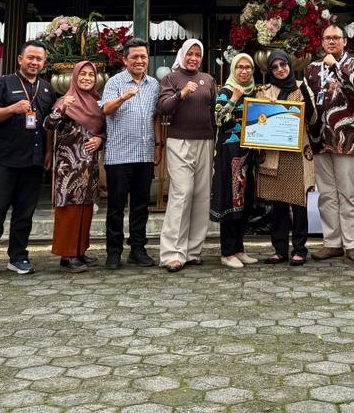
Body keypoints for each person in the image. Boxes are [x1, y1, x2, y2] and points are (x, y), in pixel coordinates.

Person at [0, 40, 56, 278]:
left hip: (33, 160)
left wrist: (49, 151)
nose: (34, 62)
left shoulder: (47, 88)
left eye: (39, 59)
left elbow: (50, 124)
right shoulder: (4, 83)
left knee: (25, 213)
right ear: (20, 60)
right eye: (30, 58)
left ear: (44, 63)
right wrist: (11, 109)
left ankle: (18, 256)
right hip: (4, 160)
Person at [305, 23, 354, 263]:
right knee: (326, 194)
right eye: (327, 38)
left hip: (346, 138)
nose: (331, 42)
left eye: (336, 38)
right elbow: (307, 101)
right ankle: (332, 242)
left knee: (348, 193)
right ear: (321, 42)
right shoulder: (312, 69)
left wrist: (337, 67)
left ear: (344, 41)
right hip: (320, 138)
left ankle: (352, 244)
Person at [100, 37, 161, 269]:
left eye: (143, 57)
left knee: (140, 205)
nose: (139, 60)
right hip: (119, 155)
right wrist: (123, 97)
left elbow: (155, 117)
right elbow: (106, 109)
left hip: (145, 155)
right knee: (116, 207)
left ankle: (138, 249)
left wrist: (158, 146)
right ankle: (113, 252)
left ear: (148, 60)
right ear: (125, 59)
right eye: (134, 56)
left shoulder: (154, 84)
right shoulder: (115, 82)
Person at [158, 39, 216, 272]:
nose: (193, 58)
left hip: (205, 140)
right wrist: (181, 94)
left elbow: (213, 112)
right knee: (182, 193)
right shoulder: (171, 79)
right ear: (182, 55)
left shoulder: (208, 80)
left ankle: (192, 251)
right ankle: (172, 253)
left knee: (202, 196)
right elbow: (163, 108)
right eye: (190, 54)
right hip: (179, 141)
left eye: (197, 55)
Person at [254, 50, 315, 266]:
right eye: (275, 67)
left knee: (299, 202)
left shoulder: (301, 87)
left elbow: (313, 119)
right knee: (277, 203)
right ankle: (279, 249)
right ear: (270, 70)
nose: (280, 70)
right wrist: (266, 107)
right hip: (274, 154)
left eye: (283, 65)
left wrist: (305, 95)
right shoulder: (263, 91)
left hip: (297, 155)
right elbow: (256, 122)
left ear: (290, 65)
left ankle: (300, 248)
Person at [45, 60, 105, 272]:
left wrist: (100, 139)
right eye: (83, 74)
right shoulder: (66, 100)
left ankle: (80, 251)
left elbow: (104, 128)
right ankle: (67, 255)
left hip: (89, 166)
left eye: (91, 74)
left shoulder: (98, 101)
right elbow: (48, 125)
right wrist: (61, 109)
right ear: (75, 77)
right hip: (69, 166)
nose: (87, 78)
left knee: (85, 209)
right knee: (69, 209)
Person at [213, 53, 257, 268]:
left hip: (247, 156)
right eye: (239, 67)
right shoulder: (226, 91)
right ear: (233, 70)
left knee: (245, 201)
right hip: (229, 155)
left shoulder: (254, 92)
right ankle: (227, 252)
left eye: (248, 67)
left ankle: (239, 249)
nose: (244, 71)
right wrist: (233, 99)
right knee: (231, 200)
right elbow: (218, 119)